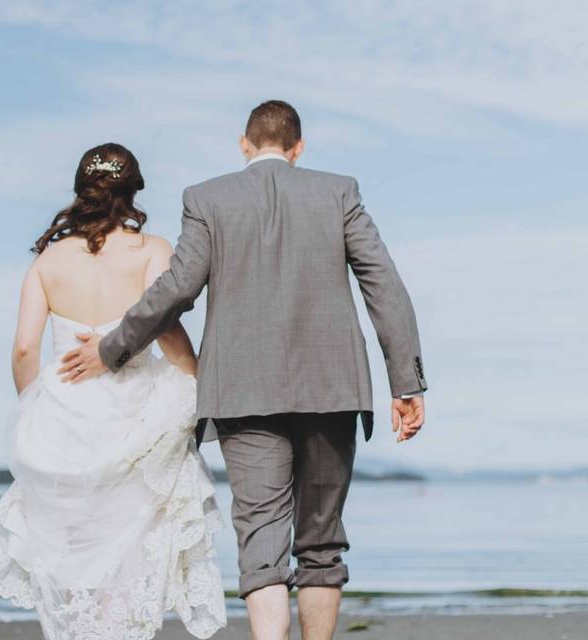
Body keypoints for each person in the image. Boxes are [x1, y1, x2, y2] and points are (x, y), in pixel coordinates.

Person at [60, 101, 428, 640]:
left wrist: (113, 348)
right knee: (322, 539)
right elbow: (384, 285)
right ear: (298, 148)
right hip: (332, 388)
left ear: (244, 144)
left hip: (242, 392)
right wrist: (406, 382)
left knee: (261, 535)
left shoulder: (207, 199)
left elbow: (176, 290)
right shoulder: (339, 192)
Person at [0, 143, 226, 640]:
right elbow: (167, 329)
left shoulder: (48, 261)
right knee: (131, 549)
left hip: (64, 418)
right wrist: (200, 380)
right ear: (132, 191)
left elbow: (26, 349)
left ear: (80, 192)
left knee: (70, 552)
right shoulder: (150, 250)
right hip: (136, 414)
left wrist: (35, 412)